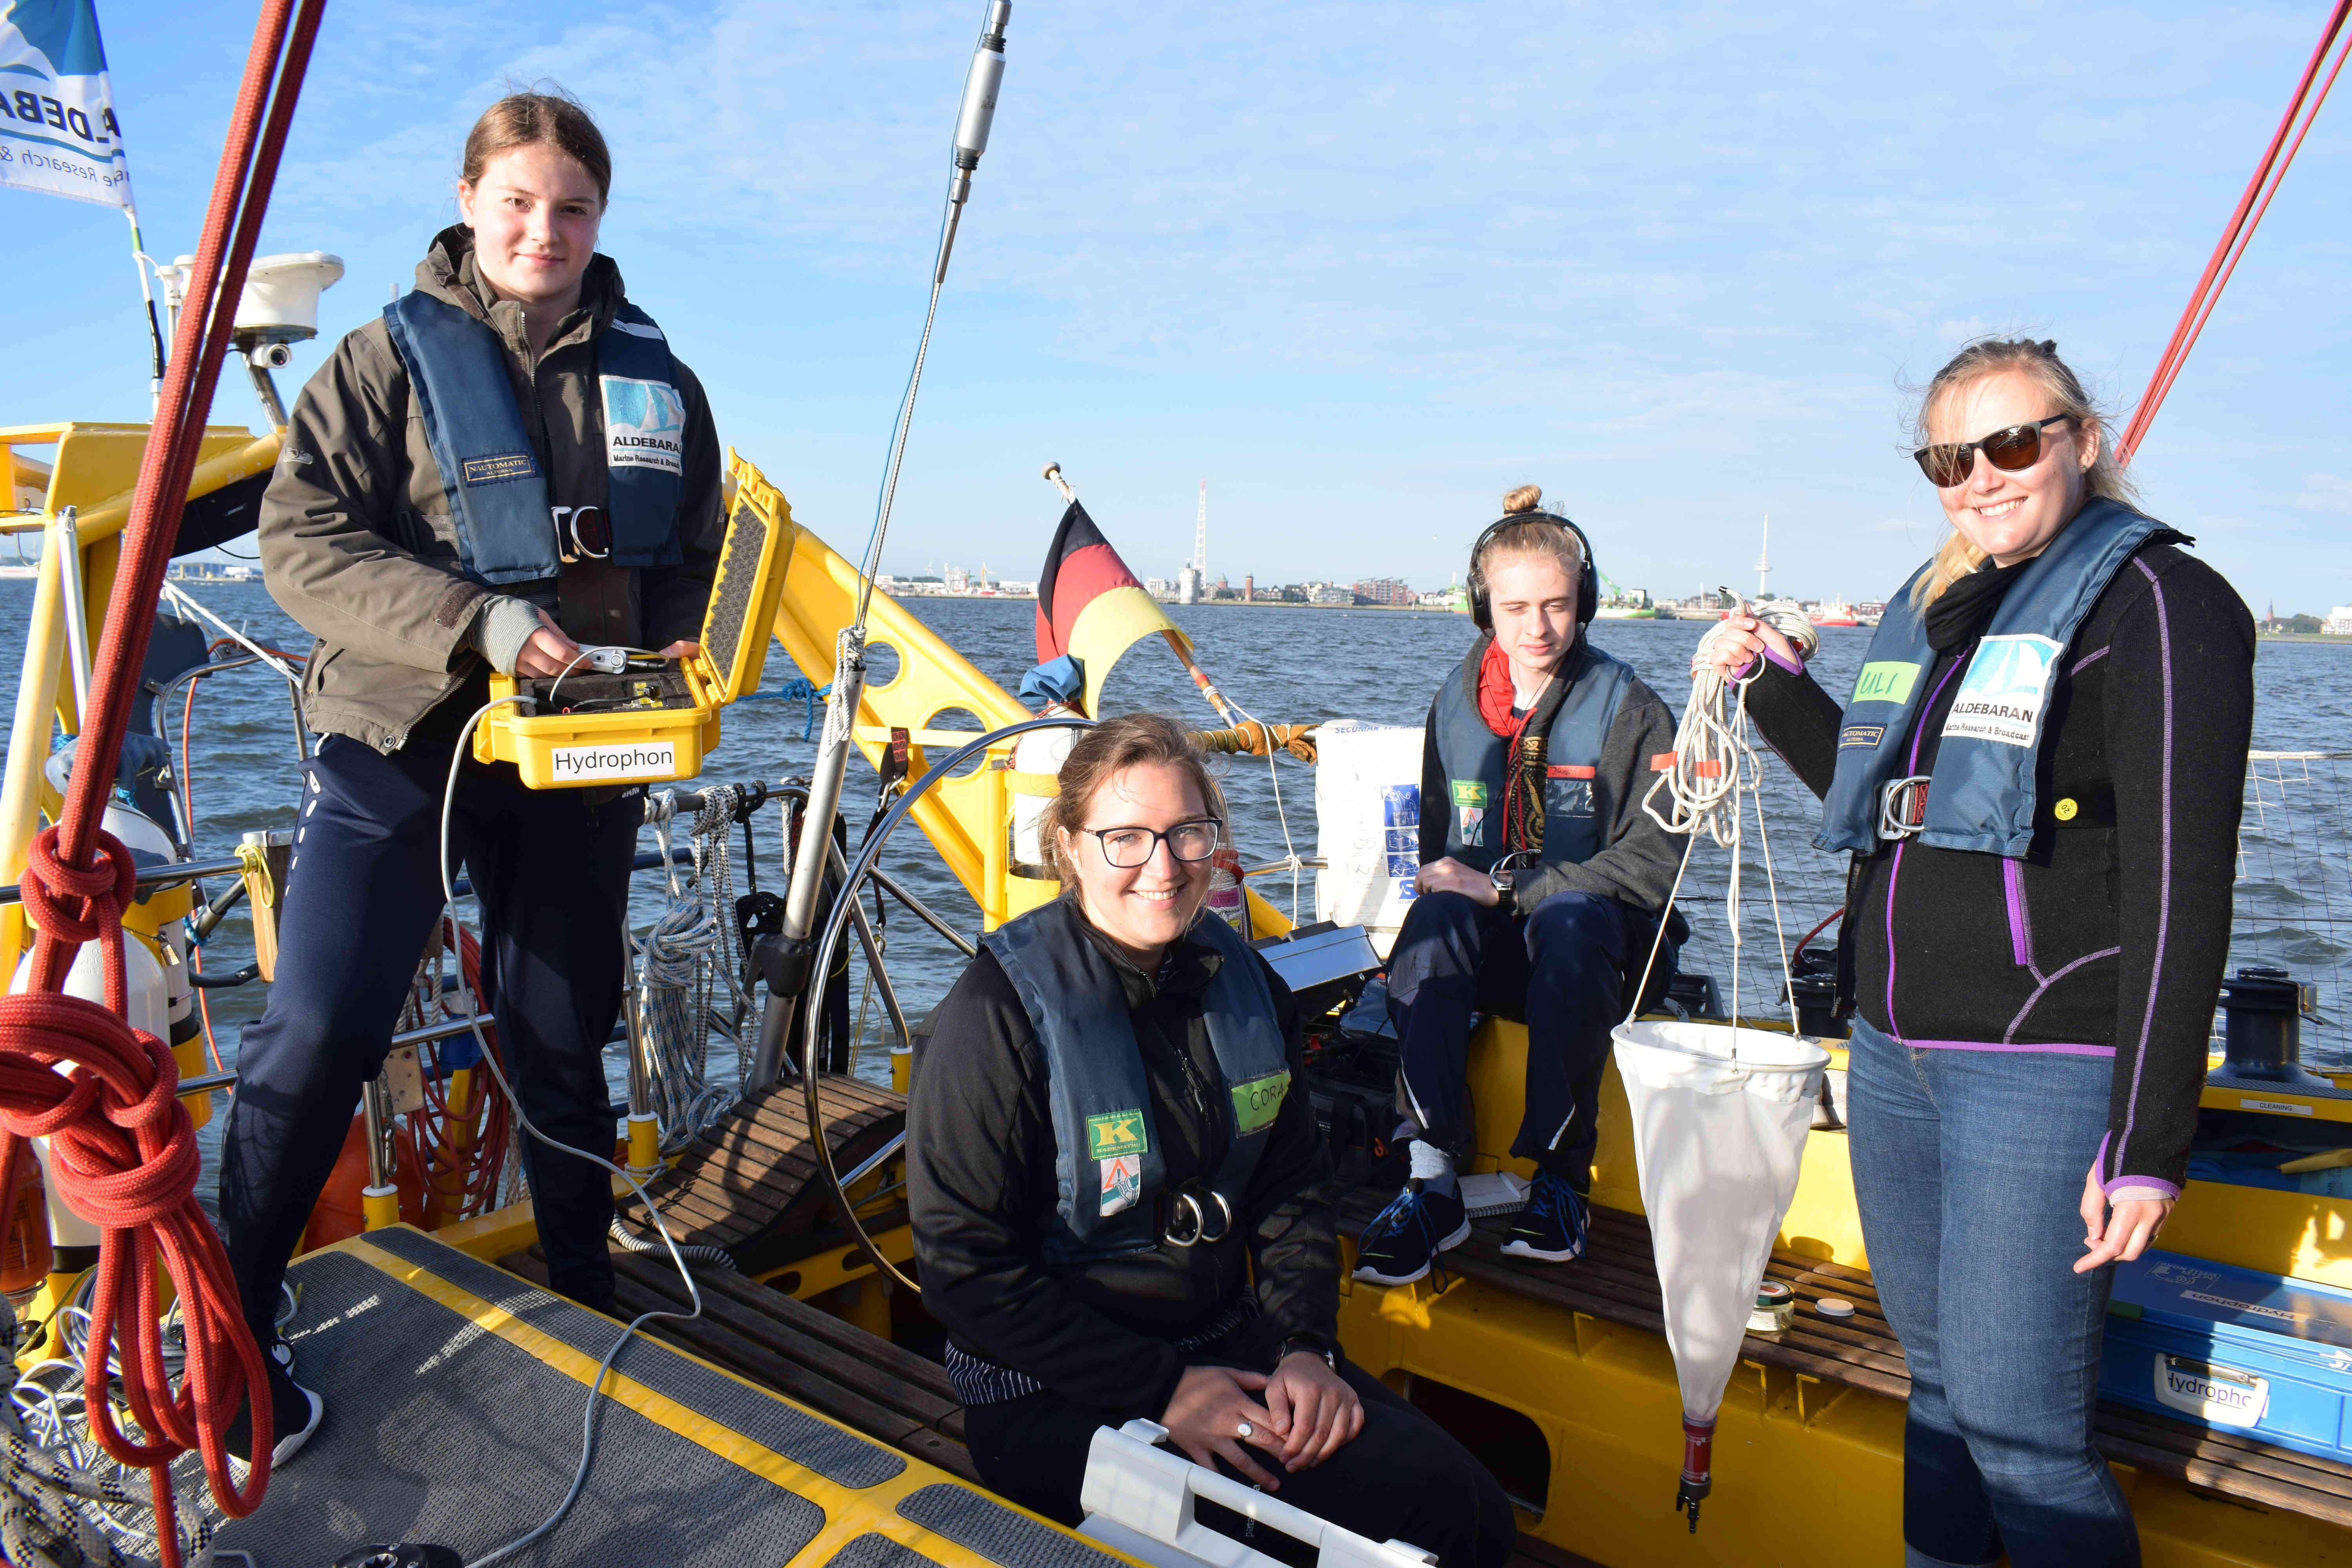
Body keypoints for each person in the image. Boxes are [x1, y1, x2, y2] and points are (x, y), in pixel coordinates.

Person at [225, 91, 725, 1468]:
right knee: (321, 1024)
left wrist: (673, 645)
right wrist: (480, 621)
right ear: (467, 202)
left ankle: (586, 1305)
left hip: (577, 746)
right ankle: (231, 1324)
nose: (543, 230)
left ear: (600, 221)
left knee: (565, 1035)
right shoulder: (383, 361)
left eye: (571, 209)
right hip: (402, 734)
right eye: (518, 202)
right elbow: (301, 544)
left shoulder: (658, 378)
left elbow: (698, 542)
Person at [1699, 337, 2253, 1568]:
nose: (1982, 481)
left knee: (2022, 1427)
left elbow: (2183, 885)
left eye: (2012, 445)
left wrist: (2149, 1141)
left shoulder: (2163, 604)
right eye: (1952, 459)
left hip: (2042, 1066)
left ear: (2084, 440)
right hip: (1898, 1053)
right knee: (1943, 1391)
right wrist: (1768, 685)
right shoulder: (1954, 604)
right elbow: (1894, 798)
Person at [909, 715, 1514, 1568]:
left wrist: (1308, 1347)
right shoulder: (992, 1021)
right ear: (1068, 846)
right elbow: (962, 1268)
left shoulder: (1248, 985)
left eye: (1188, 832)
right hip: (1053, 1388)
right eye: (1125, 837)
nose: (1164, 866)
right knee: (1408, 1533)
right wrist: (1161, 1391)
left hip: (1224, 1346)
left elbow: (1291, 1187)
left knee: (1470, 1510)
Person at [1352, 487, 1680, 1287]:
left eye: (1558, 605)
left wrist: (1509, 892)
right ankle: (1431, 1173)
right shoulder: (1453, 705)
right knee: (1430, 920)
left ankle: (1561, 1178)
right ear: (1482, 607)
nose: (1538, 628)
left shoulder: (1632, 709)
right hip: (1497, 950)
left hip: (1599, 949)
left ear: (1586, 602)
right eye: (1516, 606)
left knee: (1568, 921)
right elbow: (1439, 850)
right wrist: (1470, 895)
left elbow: (1652, 864)